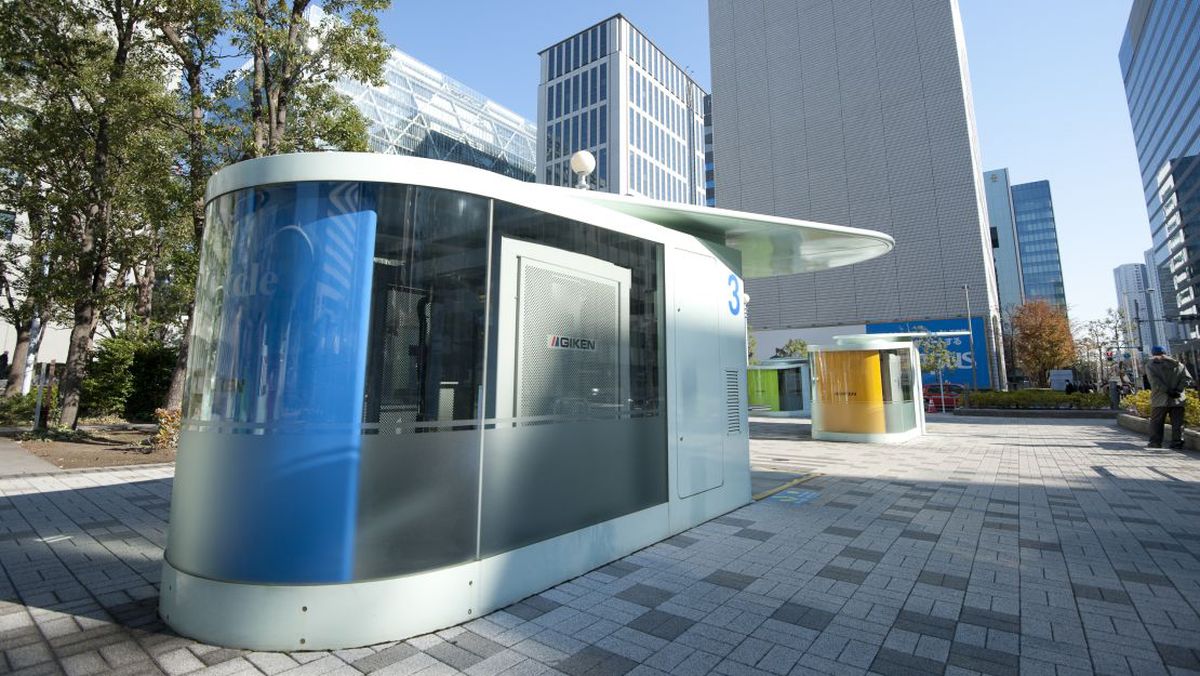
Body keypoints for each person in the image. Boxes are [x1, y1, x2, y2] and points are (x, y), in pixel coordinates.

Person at [1146, 346, 1193, 450]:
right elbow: (1188, 379)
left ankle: (1155, 443)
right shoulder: (1179, 364)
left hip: (1160, 399)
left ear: (1153, 354)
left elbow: (1155, 382)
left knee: (1156, 422)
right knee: (1177, 423)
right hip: (1178, 399)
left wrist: (1167, 391)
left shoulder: (1151, 365)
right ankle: (1177, 443)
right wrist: (1178, 390)